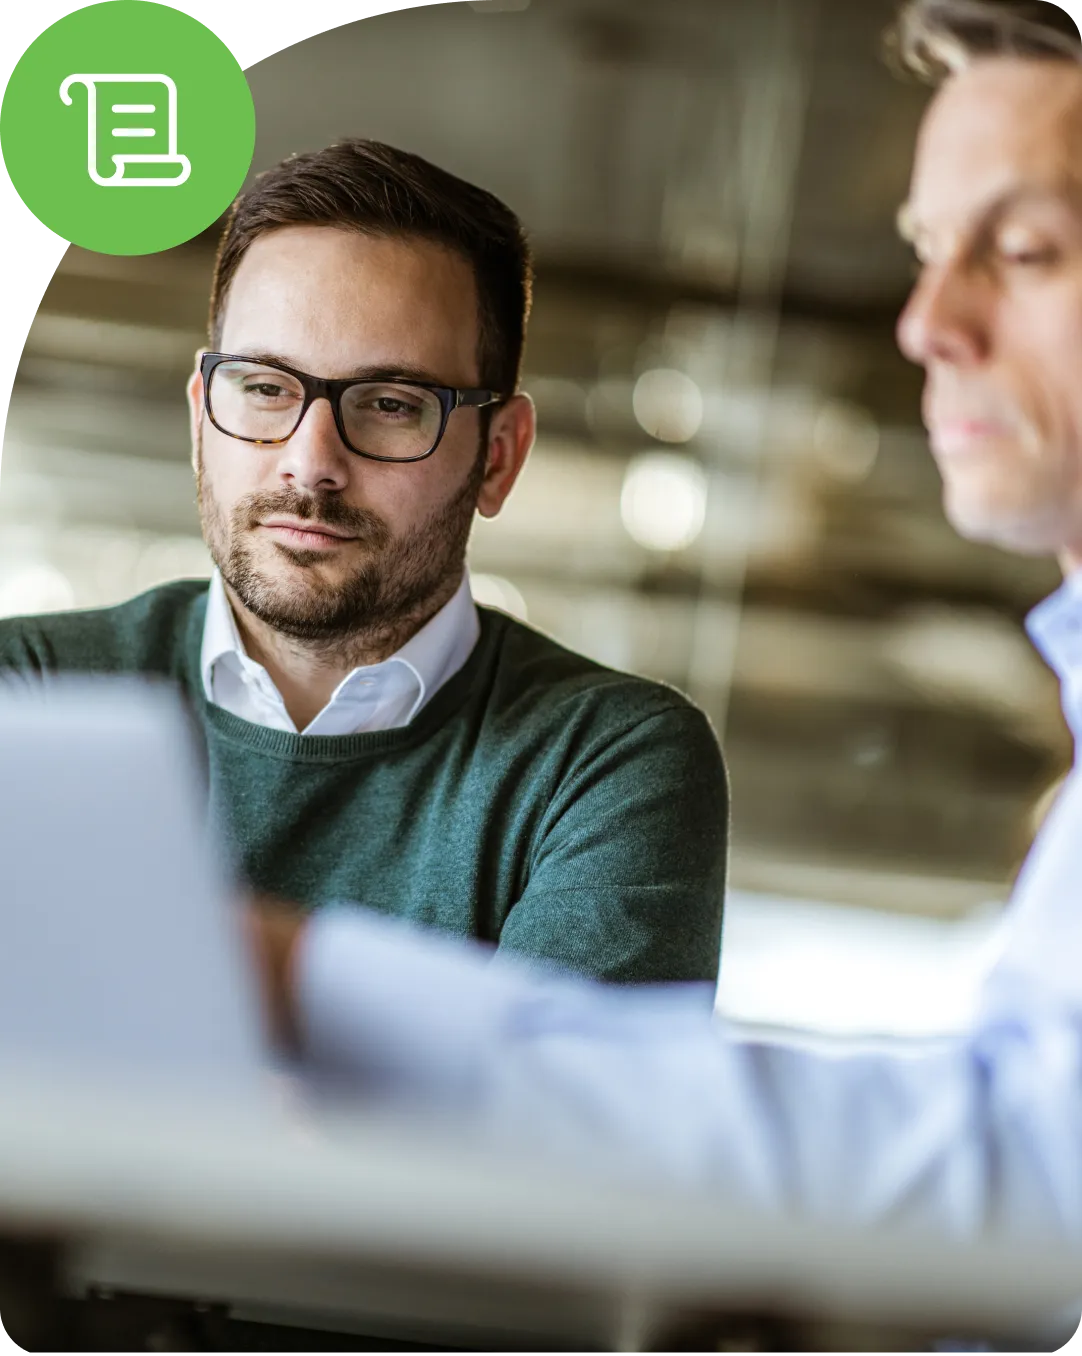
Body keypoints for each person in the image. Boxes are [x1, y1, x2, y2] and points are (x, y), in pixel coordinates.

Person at [243, 0, 1082, 1243]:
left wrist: (316, 986)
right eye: (925, 248)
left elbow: (1030, 1177)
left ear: (497, 451)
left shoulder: (607, 756)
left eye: (1021, 251)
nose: (922, 324)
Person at [0, 140, 729, 985]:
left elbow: (564, 1114)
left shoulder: (600, 765)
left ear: (498, 456)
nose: (310, 462)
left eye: (390, 405)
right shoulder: (30, 692)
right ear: (201, 420)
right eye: (266, 388)